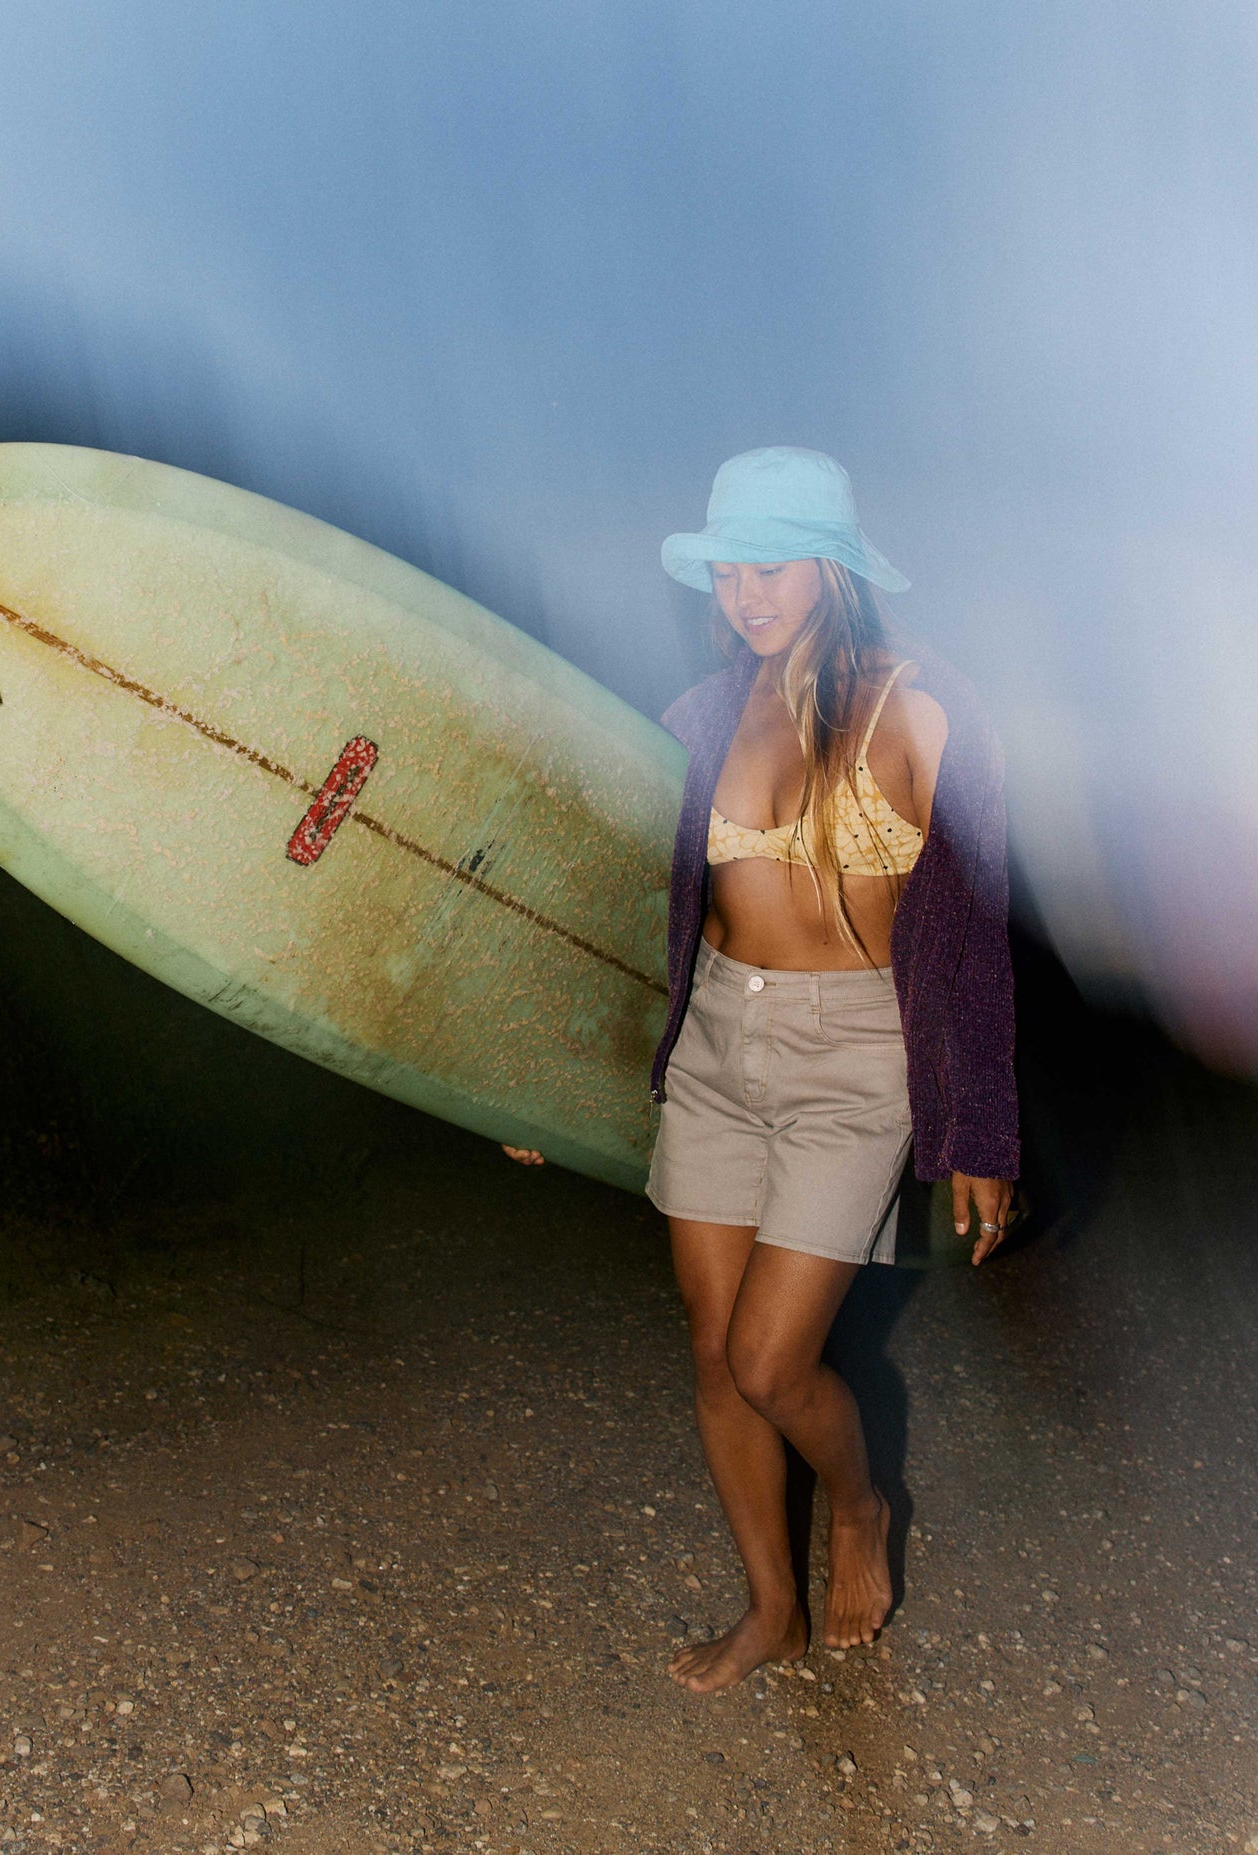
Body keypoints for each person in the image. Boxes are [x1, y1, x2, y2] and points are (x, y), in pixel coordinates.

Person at [505, 446, 1018, 1694]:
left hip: (857, 1060)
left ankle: (858, 1507)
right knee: (709, 1343)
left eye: (771, 563)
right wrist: (535, 1074)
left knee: (769, 1360)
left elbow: (975, 937)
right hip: (719, 1047)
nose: (746, 590)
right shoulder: (695, 716)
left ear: (833, 567)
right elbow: (649, 920)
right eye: (727, 566)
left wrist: (982, 1136)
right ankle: (770, 1606)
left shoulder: (929, 712)